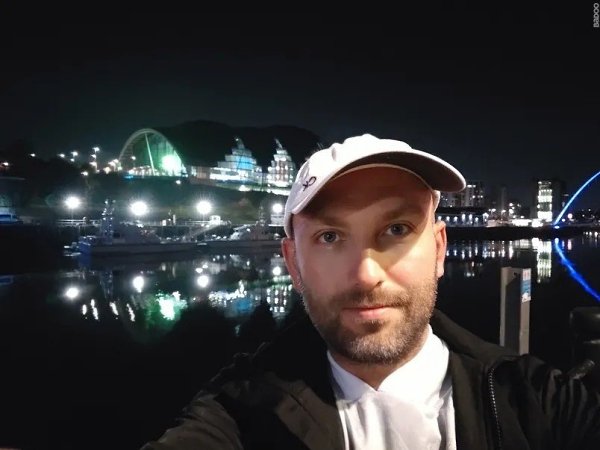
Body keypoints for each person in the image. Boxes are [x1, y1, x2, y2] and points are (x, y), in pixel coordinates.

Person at [141, 134, 600, 449]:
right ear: (293, 264)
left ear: (439, 249)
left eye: (397, 229)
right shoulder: (241, 413)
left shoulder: (539, 402)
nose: (365, 275)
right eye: (330, 237)